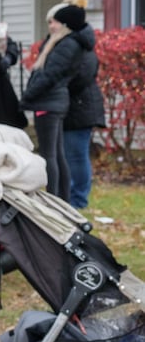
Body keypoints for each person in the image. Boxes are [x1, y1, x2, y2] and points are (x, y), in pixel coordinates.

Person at [21, 0, 91, 201]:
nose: (51, 26)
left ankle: (54, 200)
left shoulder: (66, 45)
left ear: (65, 24)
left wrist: (27, 97)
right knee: (57, 154)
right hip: (52, 103)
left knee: (49, 155)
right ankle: (61, 199)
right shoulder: (62, 43)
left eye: (54, 21)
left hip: (49, 103)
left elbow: (50, 75)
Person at [62, 16, 105, 209]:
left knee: (77, 155)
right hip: (72, 107)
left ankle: (79, 199)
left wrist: (59, 85)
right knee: (71, 154)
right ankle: (71, 196)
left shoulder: (82, 47)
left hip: (82, 108)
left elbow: (81, 77)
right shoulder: (72, 44)